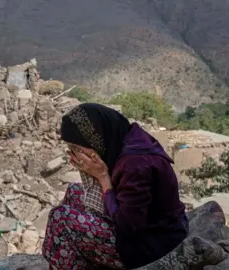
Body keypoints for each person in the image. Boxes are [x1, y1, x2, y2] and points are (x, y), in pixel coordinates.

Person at [42, 103, 188, 269]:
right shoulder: (125, 139)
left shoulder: (135, 165)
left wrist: (103, 177)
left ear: (94, 140)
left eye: (76, 148)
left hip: (151, 244)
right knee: (74, 192)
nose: (75, 154)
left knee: (60, 218)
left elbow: (128, 225)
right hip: (144, 227)